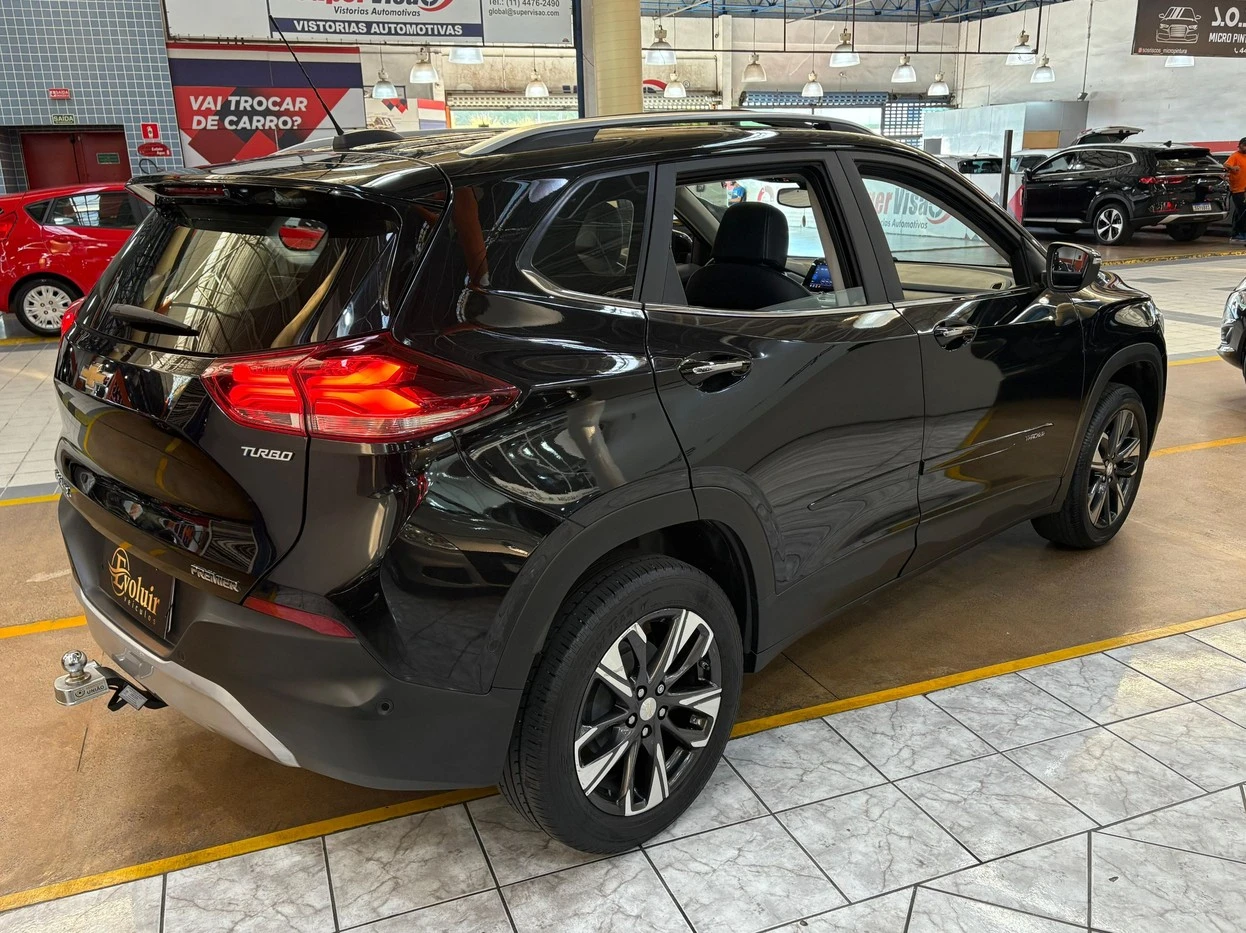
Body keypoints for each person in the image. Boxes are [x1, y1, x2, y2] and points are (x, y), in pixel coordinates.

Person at [1225, 137, 1246, 243]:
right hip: (1238, 190)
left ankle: (1239, 233)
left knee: (1242, 212)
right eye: (1244, 145)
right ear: (1240, 145)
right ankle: (1238, 234)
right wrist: (1233, 168)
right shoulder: (1235, 156)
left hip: (1245, 190)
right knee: (1242, 212)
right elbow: (1225, 165)